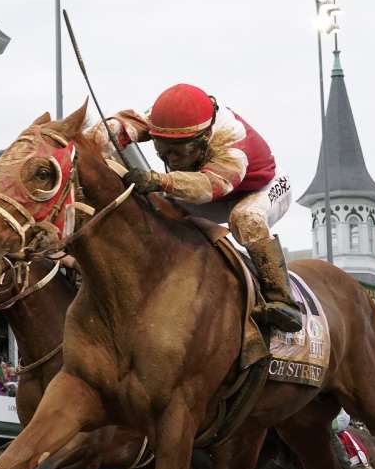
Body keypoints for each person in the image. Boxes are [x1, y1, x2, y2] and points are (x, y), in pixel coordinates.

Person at [101, 83, 301, 332]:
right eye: (163, 150)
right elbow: (123, 125)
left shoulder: (232, 140)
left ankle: (283, 300)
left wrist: (158, 179)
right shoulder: (165, 120)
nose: (171, 159)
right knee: (161, 208)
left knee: (246, 218)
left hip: (258, 188)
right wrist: (92, 142)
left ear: (204, 137)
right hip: (212, 191)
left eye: (178, 151)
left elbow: (209, 186)